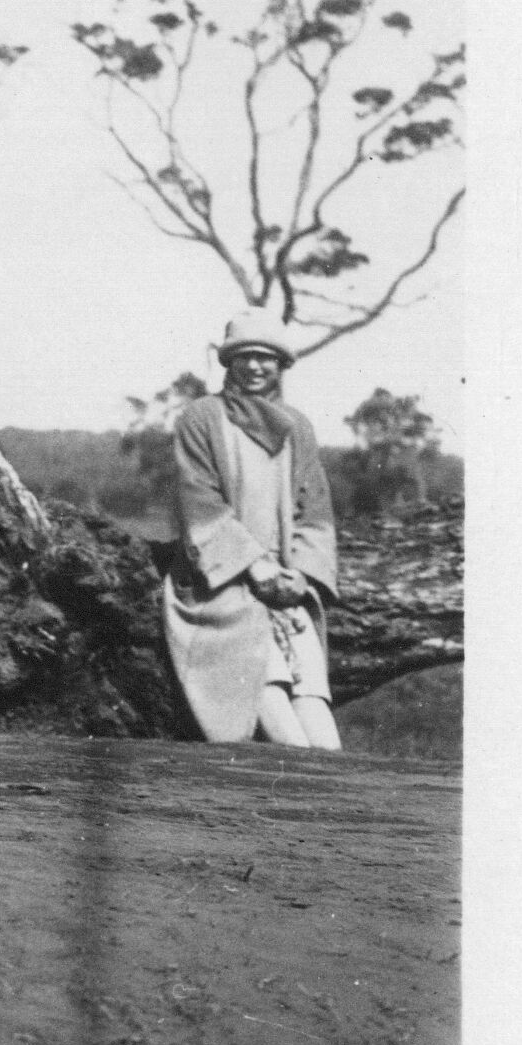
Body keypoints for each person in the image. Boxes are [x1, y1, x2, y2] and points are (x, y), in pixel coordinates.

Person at [162, 313, 341, 748]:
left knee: (313, 698)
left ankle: (336, 790)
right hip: (221, 579)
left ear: (281, 365)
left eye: (266, 358)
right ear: (229, 364)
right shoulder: (201, 419)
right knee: (265, 686)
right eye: (245, 357)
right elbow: (198, 501)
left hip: (283, 583)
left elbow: (313, 510)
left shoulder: (296, 427)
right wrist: (252, 565)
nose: (256, 367)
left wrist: (301, 572)